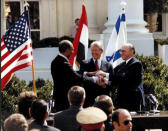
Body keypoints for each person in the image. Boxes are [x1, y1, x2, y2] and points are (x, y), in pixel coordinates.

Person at [51, 40, 105, 111]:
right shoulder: (63, 63)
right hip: (63, 99)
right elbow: (76, 77)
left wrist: (87, 73)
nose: (73, 52)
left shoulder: (57, 60)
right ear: (67, 50)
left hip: (60, 97)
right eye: (72, 50)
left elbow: (72, 73)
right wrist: (94, 79)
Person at [79, 41, 114, 106]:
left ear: (101, 51)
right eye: (92, 50)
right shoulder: (84, 63)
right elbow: (82, 78)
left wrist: (104, 84)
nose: (93, 52)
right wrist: (95, 80)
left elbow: (112, 81)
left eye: (95, 50)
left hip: (104, 99)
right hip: (89, 99)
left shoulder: (108, 65)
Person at [112, 43, 145, 111]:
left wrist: (105, 75)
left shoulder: (136, 64)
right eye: (121, 51)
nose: (121, 53)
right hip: (122, 100)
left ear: (131, 52)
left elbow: (123, 78)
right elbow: (112, 72)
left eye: (123, 51)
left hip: (132, 101)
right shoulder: (123, 64)